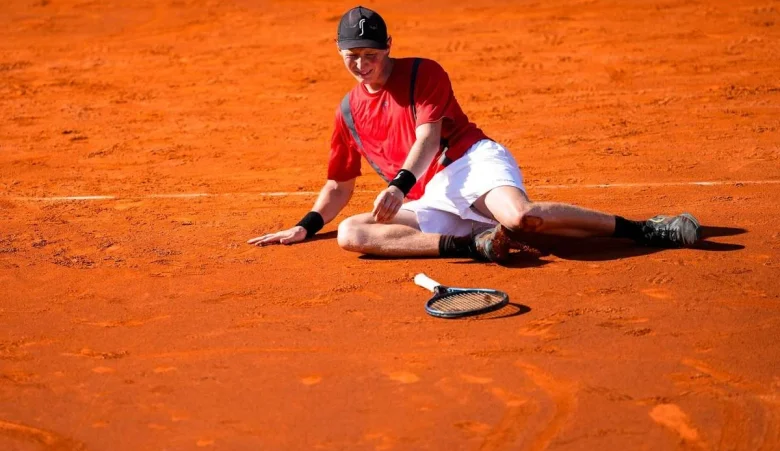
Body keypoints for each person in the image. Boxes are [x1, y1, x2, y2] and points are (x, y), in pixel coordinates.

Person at [247, 6, 700, 264]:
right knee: (351, 234)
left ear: (388, 47)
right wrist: (305, 226)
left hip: (466, 163)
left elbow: (427, 137)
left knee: (521, 219)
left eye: (370, 53)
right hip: (428, 197)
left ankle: (644, 229)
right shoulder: (347, 110)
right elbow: (339, 185)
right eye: (352, 54)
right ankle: (474, 244)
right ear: (339, 52)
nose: (361, 62)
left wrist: (399, 185)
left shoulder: (423, 73)